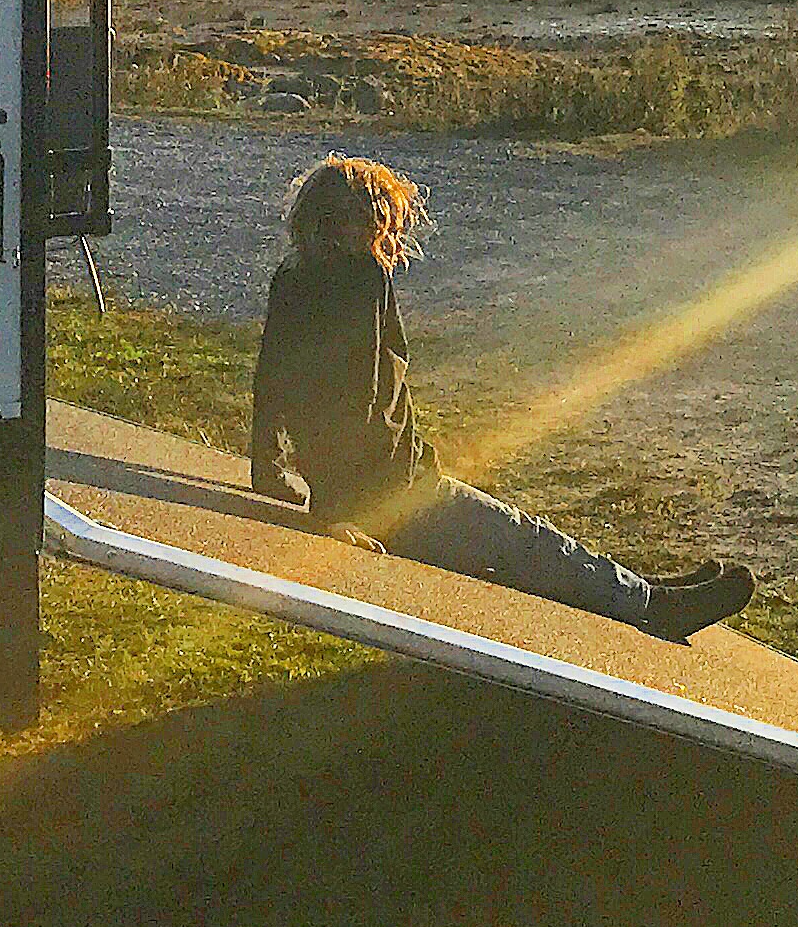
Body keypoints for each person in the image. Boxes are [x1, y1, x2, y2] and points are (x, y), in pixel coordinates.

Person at [249, 155, 756, 642]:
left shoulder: (294, 275)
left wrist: (269, 469)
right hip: (390, 494)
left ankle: (638, 589)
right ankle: (654, 607)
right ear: (365, 222)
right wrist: (338, 512)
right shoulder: (361, 276)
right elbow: (358, 398)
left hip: (371, 487)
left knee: (521, 542)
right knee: (524, 541)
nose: (395, 240)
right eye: (389, 227)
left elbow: (272, 379)